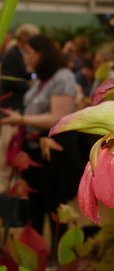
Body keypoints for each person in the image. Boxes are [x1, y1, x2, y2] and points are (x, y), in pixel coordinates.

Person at [0, 35, 83, 245]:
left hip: (57, 152)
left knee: (55, 207)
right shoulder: (42, 78)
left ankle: (57, 259)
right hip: (36, 149)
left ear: (41, 53)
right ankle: (35, 254)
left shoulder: (62, 77)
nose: (25, 57)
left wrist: (21, 119)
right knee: (36, 205)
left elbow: (58, 118)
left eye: (28, 52)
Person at [0, 24, 40, 193]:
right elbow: (7, 81)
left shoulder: (19, 54)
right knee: (6, 153)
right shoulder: (12, 55)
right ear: (24, 39)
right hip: (11, 111)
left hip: (16, 110)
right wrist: (30, 85)